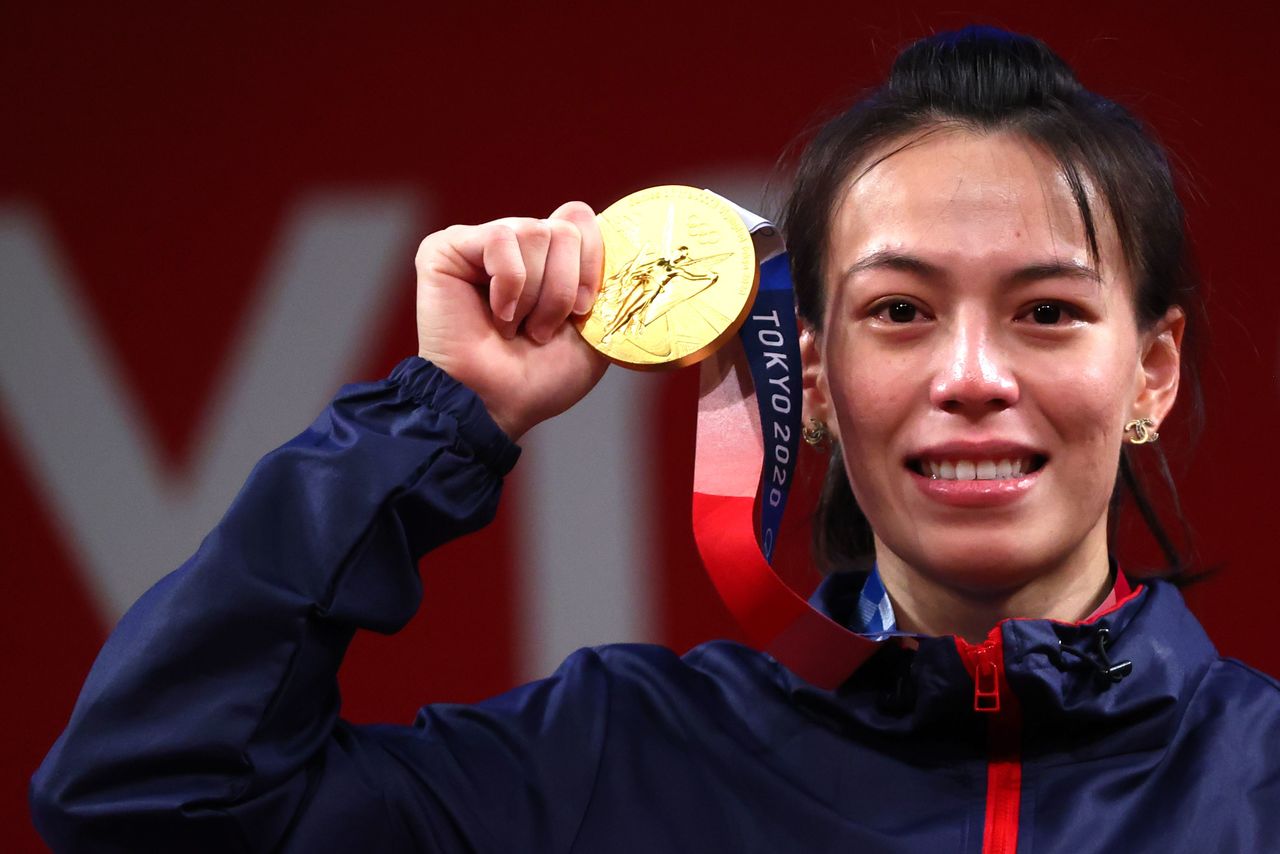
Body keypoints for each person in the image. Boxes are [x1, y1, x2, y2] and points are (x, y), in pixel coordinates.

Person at [30, 27, 1280, 853]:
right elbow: (144, 803)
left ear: (1150, 371)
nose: (967, 375)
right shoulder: (615, 764)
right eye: (897, 312)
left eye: (1046, 312)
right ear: (820, 377)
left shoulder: (1257, 780)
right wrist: (438, 417)